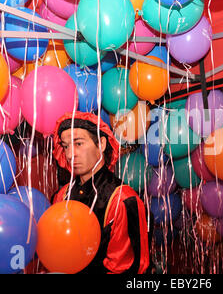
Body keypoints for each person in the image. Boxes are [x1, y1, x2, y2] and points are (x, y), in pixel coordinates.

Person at [51, 111, 152, 274]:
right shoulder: (62, 195)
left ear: (102, 144)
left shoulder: (122, 200)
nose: (70, 154)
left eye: (78, 144)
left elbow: (126, 268)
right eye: (66, 146)